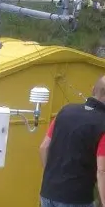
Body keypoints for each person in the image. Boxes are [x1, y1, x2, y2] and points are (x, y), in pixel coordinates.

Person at [39, 75, 105, 207]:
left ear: (93, 90)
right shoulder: (102, 124)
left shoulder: (65, 111)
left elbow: (44, 147)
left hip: (48, 193)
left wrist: (54, 180)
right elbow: (102, 171)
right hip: (76, 198)